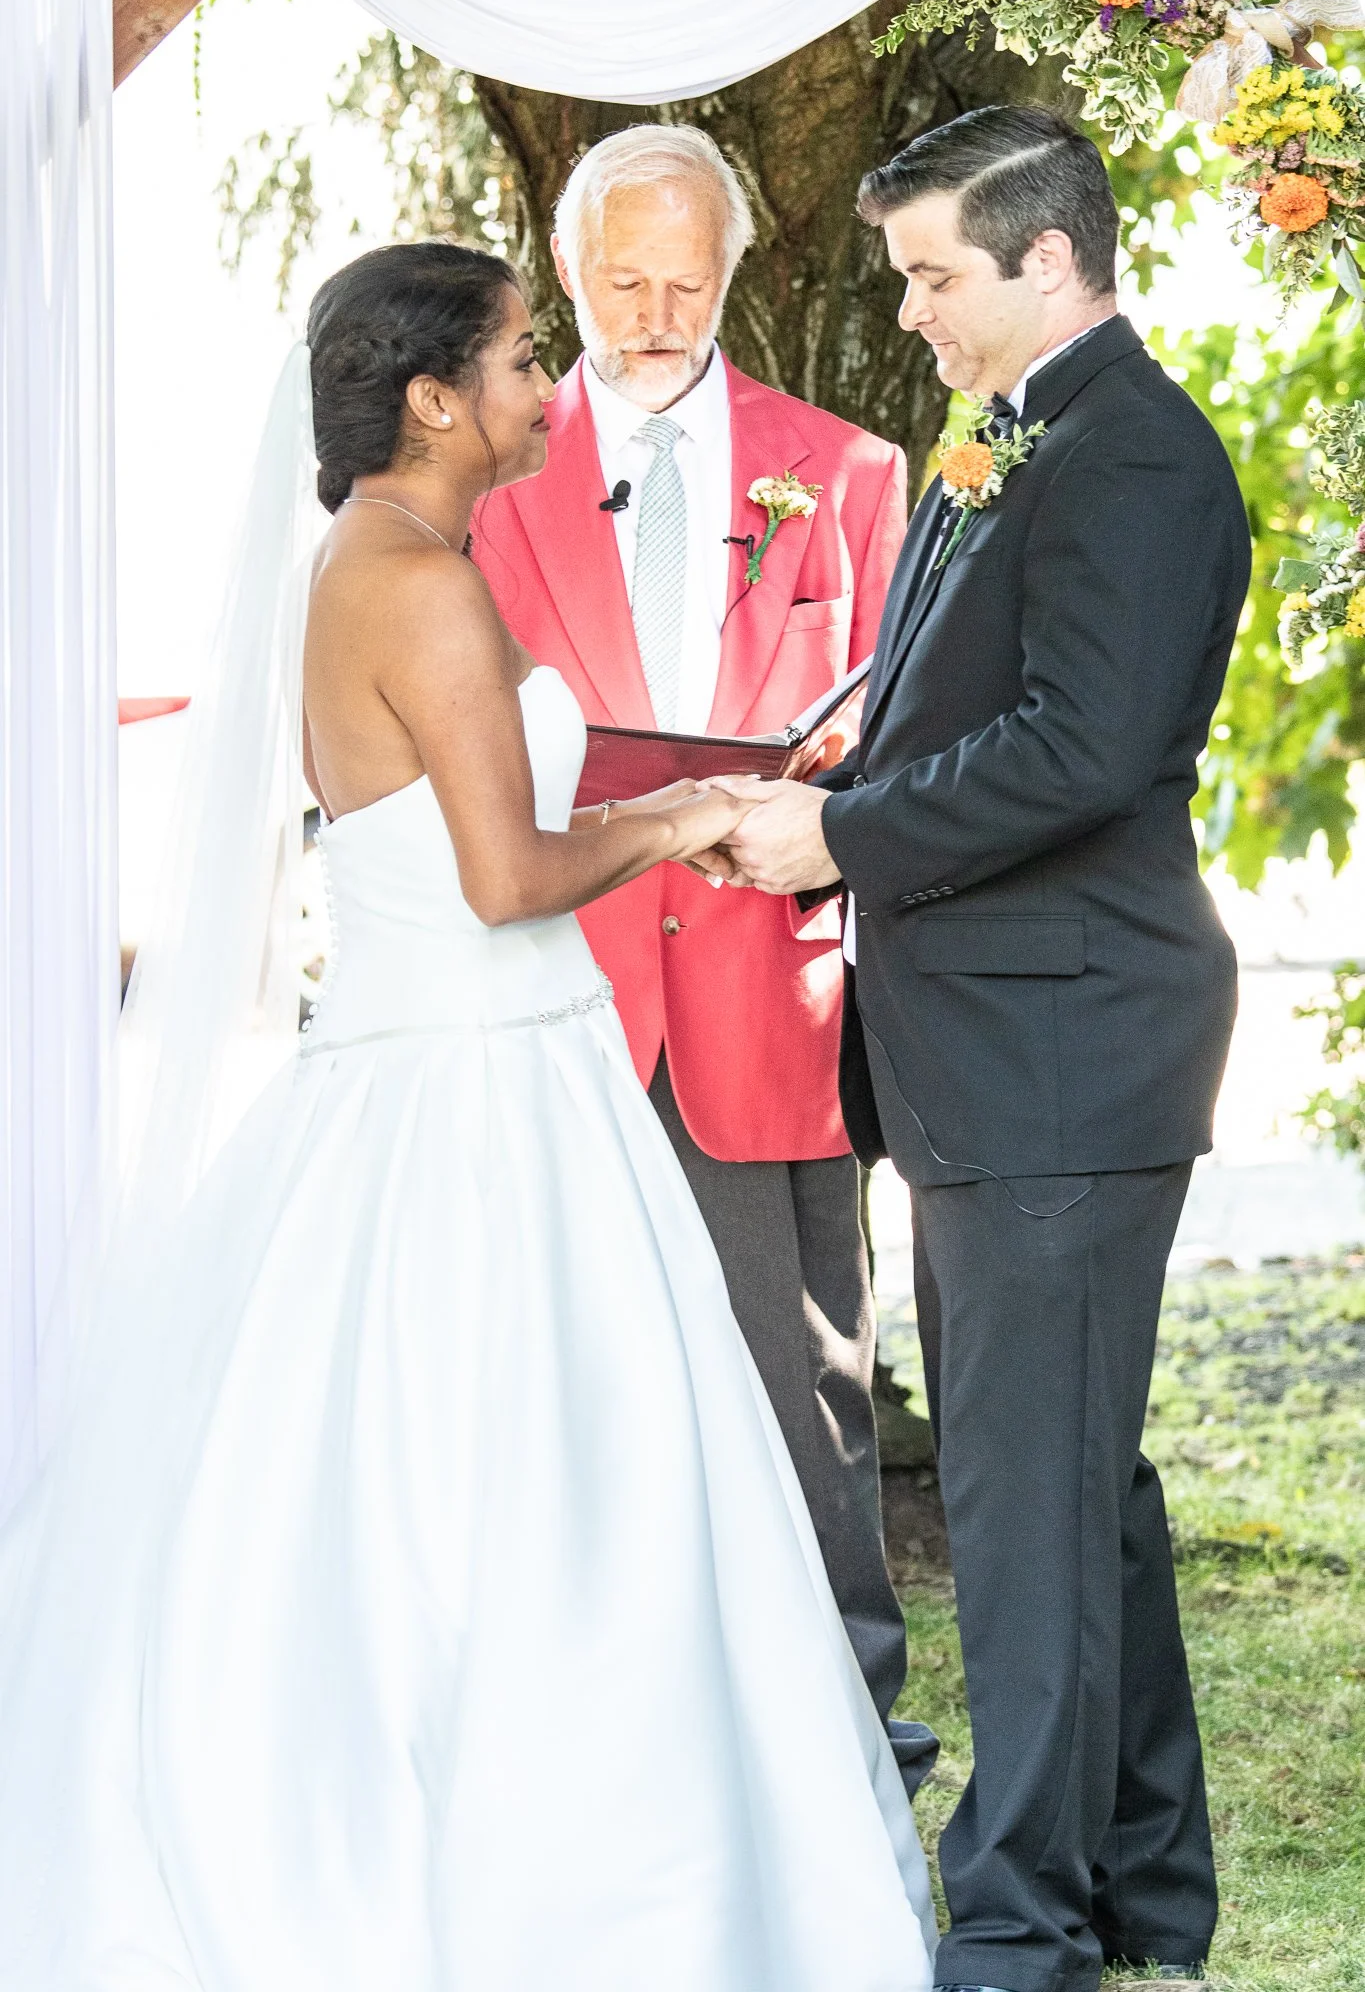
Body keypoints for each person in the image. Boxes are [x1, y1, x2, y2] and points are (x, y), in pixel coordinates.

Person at [0, 242, 938, 1989]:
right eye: (518, 359)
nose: (539, 384)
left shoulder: (381, 555)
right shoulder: (414, 581)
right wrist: (689, 818)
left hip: (467, 1056)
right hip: (477, 1080)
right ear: (433, 398)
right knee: (530, 1482)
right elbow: (507, 875)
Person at [714, 107, 1250, 1992]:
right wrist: (849, 761)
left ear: (1047, 256)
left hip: (1064, 1049)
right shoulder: (1013, 434)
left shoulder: (1137, 455)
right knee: (1073, 1488)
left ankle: (1022, 1937)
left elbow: (1089, 750)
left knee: (1028, 1514)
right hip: (1007, 1051)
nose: (919, 316)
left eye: (937, 275)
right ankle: (1147, 1894)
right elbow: (988, 698)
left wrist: (840, 841)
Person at [474, 126, 920, 1759]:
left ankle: (847, 1725)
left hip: (764, 989)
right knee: (548, 1362)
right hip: (550, 990)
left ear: (735, 273)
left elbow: (891, 720)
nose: (656, 313)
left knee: (801, 1379)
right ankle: (587, 1721)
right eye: (620, 280)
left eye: (688, 280)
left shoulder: (855, 475)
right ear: (568, 261)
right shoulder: (490, 480)